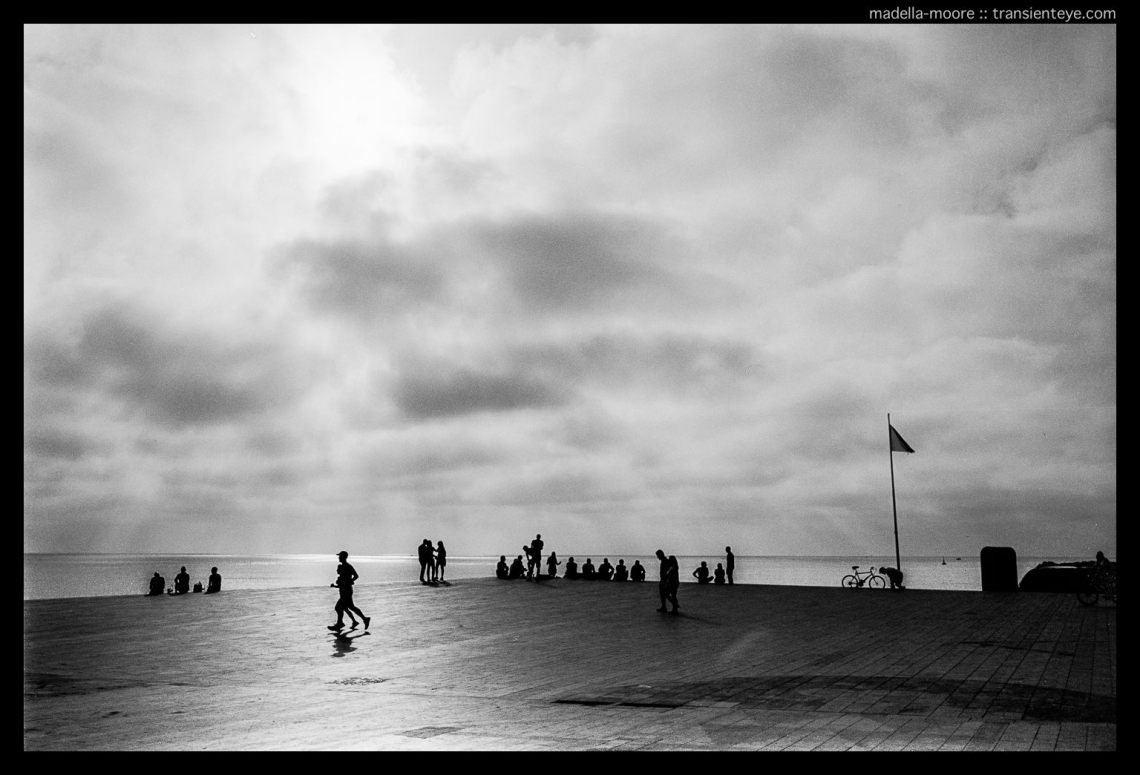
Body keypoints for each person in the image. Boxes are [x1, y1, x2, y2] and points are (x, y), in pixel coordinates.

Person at [329, 551, 370, 631]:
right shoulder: (342, 566)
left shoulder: (348, 566)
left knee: (338, 607)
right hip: (343, 590)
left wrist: (349, 581)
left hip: (347, 591)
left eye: (340, 556)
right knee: (351, 607)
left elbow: (356, 576)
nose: (339, 558)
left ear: (344, 557)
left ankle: (340, 623)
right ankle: (365, 619)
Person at [656, 550, 679, 614]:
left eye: (658, 555)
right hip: (669, 581)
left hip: (667, 581)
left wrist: (666, 581)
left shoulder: (666, 562)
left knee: (665, 593)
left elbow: (668, 574)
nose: (657, 557)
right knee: (668, 594)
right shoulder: (670, 564)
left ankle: (673, 606)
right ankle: (672, 608)